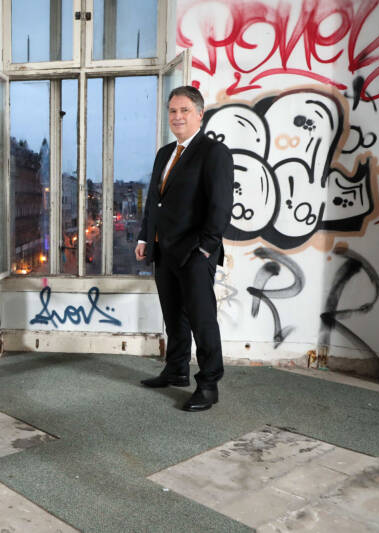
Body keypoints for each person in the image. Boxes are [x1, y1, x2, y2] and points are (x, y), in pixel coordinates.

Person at [135, 85, 233, 412]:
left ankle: (208, 384)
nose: (177, 116)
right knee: (173, 315)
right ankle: (176, 369)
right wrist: (145, 238)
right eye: (173, 111)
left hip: (194, 253)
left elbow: (220, 205)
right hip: (163, 251)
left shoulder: (214, 152)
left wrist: (206, 248)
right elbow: (155, 200)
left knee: (202, 320)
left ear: (200, 114)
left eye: (184, 110)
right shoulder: (165, 153)